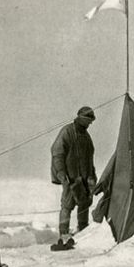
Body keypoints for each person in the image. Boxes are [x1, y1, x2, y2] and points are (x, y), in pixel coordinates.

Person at [50, 106, 97, 248]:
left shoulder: (86, 137)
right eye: (88, 121)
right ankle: (63, 233)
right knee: (67, 205)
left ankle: (82, 230)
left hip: (84, 178)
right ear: (82, 119)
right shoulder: (67, 132)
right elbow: (57, 153)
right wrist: (61, 173)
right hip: (70, 178)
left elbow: (90, 159)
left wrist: (92, 176)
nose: (90, 124)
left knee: (84, 204)